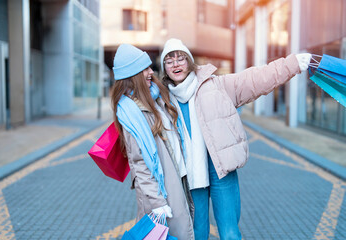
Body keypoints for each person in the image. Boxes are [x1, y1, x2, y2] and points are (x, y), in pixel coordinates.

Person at [160, 38, 311, 240]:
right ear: (164, 67)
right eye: (169, 61)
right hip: (191, 176)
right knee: (196, 234)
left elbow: (256, 79)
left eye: (181, 58)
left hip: (221, 168)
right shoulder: (161, 99)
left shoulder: (216, 85)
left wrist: (291, 64)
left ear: (189, 61)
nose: (176, 64)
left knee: (230, 233)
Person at [110, 44, 194, 240]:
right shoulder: (131, 112)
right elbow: (138, 163)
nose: (150, 72)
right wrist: (157, 202)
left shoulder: (155, 95)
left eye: (149, 67)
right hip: (161, 191)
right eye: (145, 69)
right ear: (133, 75)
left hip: (177, 176)